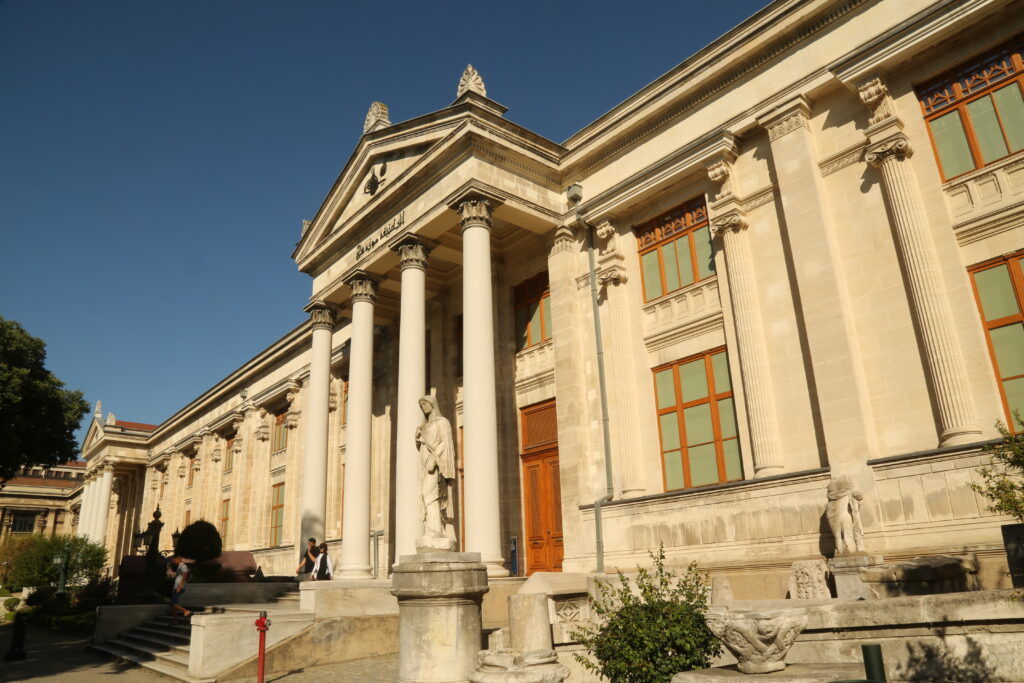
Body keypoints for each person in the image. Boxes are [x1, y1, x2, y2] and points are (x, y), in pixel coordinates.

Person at [168, 554, 191, 623]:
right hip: (176, 587)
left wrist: (180, 586)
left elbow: (184, 576)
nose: (173, 561)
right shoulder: (179, 567)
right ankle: (175, 619)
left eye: (174, 559)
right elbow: (177, 576)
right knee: (172, 604)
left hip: (179, 587)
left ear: (178, 559)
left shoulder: (183, 566)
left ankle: (186, 611)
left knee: (173, 604)